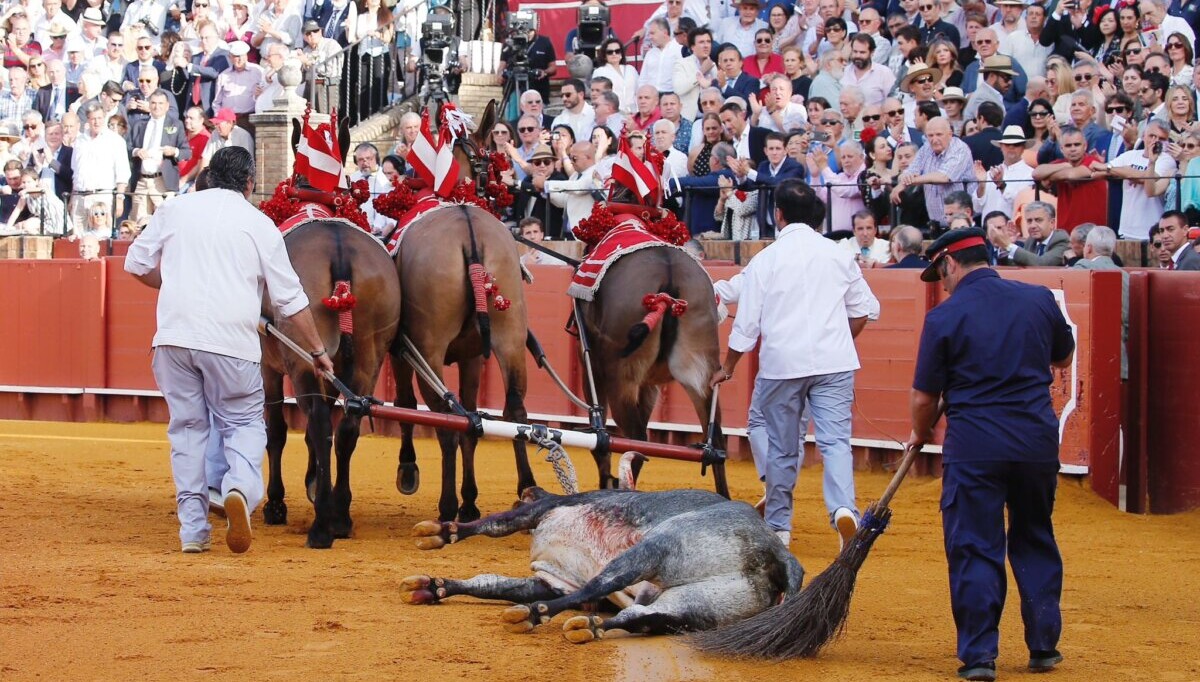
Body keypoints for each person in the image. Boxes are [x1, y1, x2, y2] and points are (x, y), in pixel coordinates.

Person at [124, 146, 334, 555]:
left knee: (187, 432)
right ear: (250, 184)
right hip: (231, 343)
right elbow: (290, 300)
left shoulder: (175, 209)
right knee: (243, 425)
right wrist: (317, 350)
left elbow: (136, 263)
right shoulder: (259, 225)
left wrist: (173, 285)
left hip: (173, 339)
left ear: (208, 175)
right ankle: (238, 486)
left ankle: (193, 533)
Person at [906, 226, 1074, 682]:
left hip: (976, 445)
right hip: (1036, 443)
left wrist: (920, 434)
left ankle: (980, 656)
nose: (941, 283)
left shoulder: (945, 316)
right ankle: (1044, 647)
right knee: (1035, 534)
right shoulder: (1039, 298)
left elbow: (925, 398)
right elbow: (1062, 358)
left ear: (949, 264)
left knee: (976, 546)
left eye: (939, 274)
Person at [709, 178, 880, 548]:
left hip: (783, 366)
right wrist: (837, 340)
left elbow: (747, 324)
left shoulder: (766, 260)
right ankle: (842, 510)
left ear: (778, 214)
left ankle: (780, 527)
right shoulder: (838, 254)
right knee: (836, 442)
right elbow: (865, 310)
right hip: (834, 363)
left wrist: (729, 366)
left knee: (784, 448)